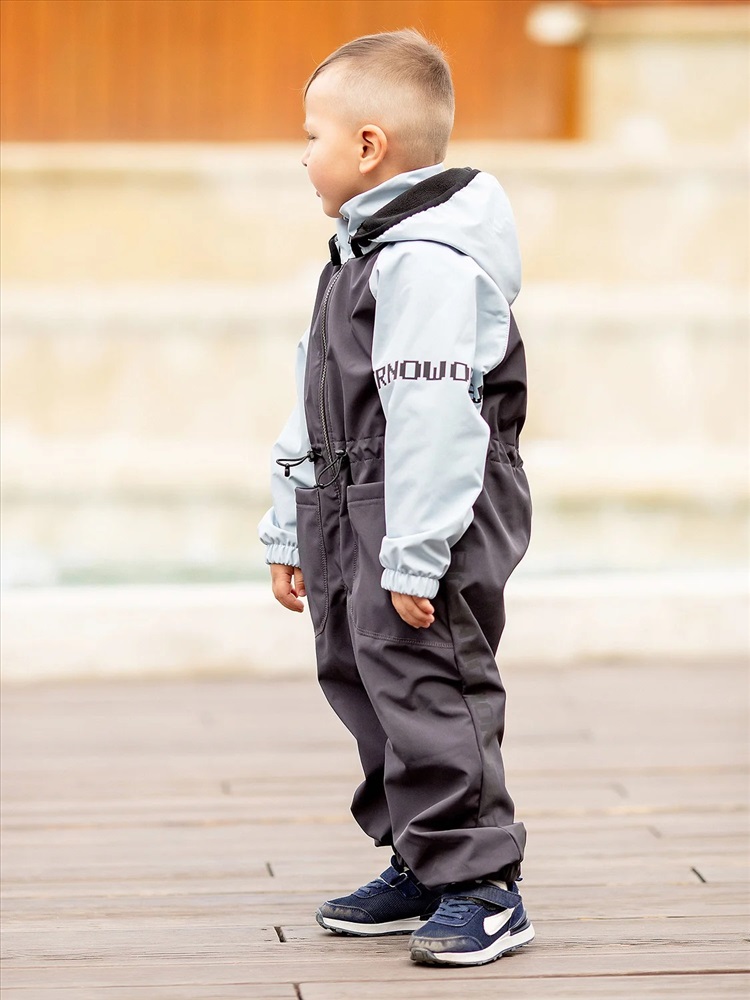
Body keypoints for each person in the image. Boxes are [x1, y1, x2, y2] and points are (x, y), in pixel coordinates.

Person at [258, 28, 534, 968]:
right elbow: (313, 395)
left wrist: (417, 549)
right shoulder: (359, 254)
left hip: (425, 505)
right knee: (362, 673)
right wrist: (288, 521)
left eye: (312, 137)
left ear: (369, 145)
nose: (303, 156)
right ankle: (421, 856)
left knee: (426, 676)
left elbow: (435, 414)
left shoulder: (428, 263)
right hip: (350, 499)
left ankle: (483, 882)